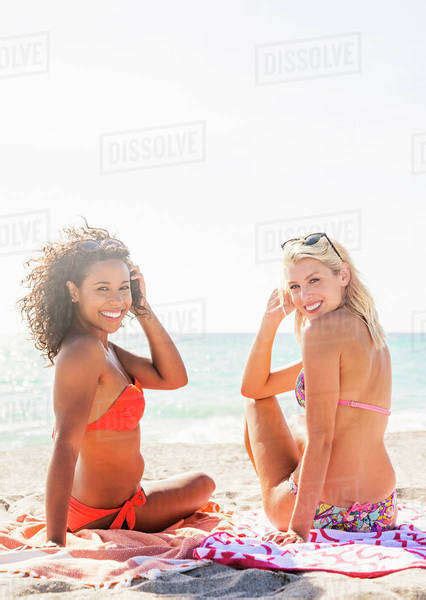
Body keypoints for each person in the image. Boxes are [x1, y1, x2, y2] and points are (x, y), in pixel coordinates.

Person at [18, 222, 215, 546]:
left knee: (203, 482)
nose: (116, 300)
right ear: (73, 291)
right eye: (102, 289)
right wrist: (55, 541)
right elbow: (65, 445)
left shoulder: (104, 348)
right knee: (202, 485)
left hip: (129, 498)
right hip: (99, 512)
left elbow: (173, 378)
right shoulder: (82, 351)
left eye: (124, 287)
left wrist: (143, 309)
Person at [241, 232, 397, 544]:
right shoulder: (370, 331)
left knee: (257, 407)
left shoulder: (320, 332)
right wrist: (272, 321)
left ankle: (292, 503)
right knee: (300, 428)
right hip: (380, 511)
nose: (303, 295)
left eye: (314, 281)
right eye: (295, 286)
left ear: (343, 275)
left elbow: (254, 395)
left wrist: (298, 529)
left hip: (325, 511)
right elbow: (258, 384)